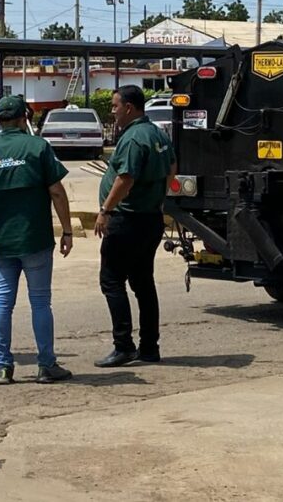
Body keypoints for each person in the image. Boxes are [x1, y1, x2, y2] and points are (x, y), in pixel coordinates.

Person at [0, 95, 75, 385]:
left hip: (1, 242)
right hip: (35, 239)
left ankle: (2, 366)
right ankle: (46, 365)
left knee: (2, 301)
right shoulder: (38, 148)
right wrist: (67, 230)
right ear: (24, 118)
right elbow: (58, 192)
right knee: (40, 302)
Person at [93, 86, 176, 368]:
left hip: (126, 220)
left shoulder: (134, 138)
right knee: (143, 282)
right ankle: (149, 347)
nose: (112, 111)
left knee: (112, 281)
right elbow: (171, 168)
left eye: (115, 106)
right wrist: (160, 199)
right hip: (149, 218)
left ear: (129, 107)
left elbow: (125, 178)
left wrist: (106, 210)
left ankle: (123, 346)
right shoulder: (157, 134)